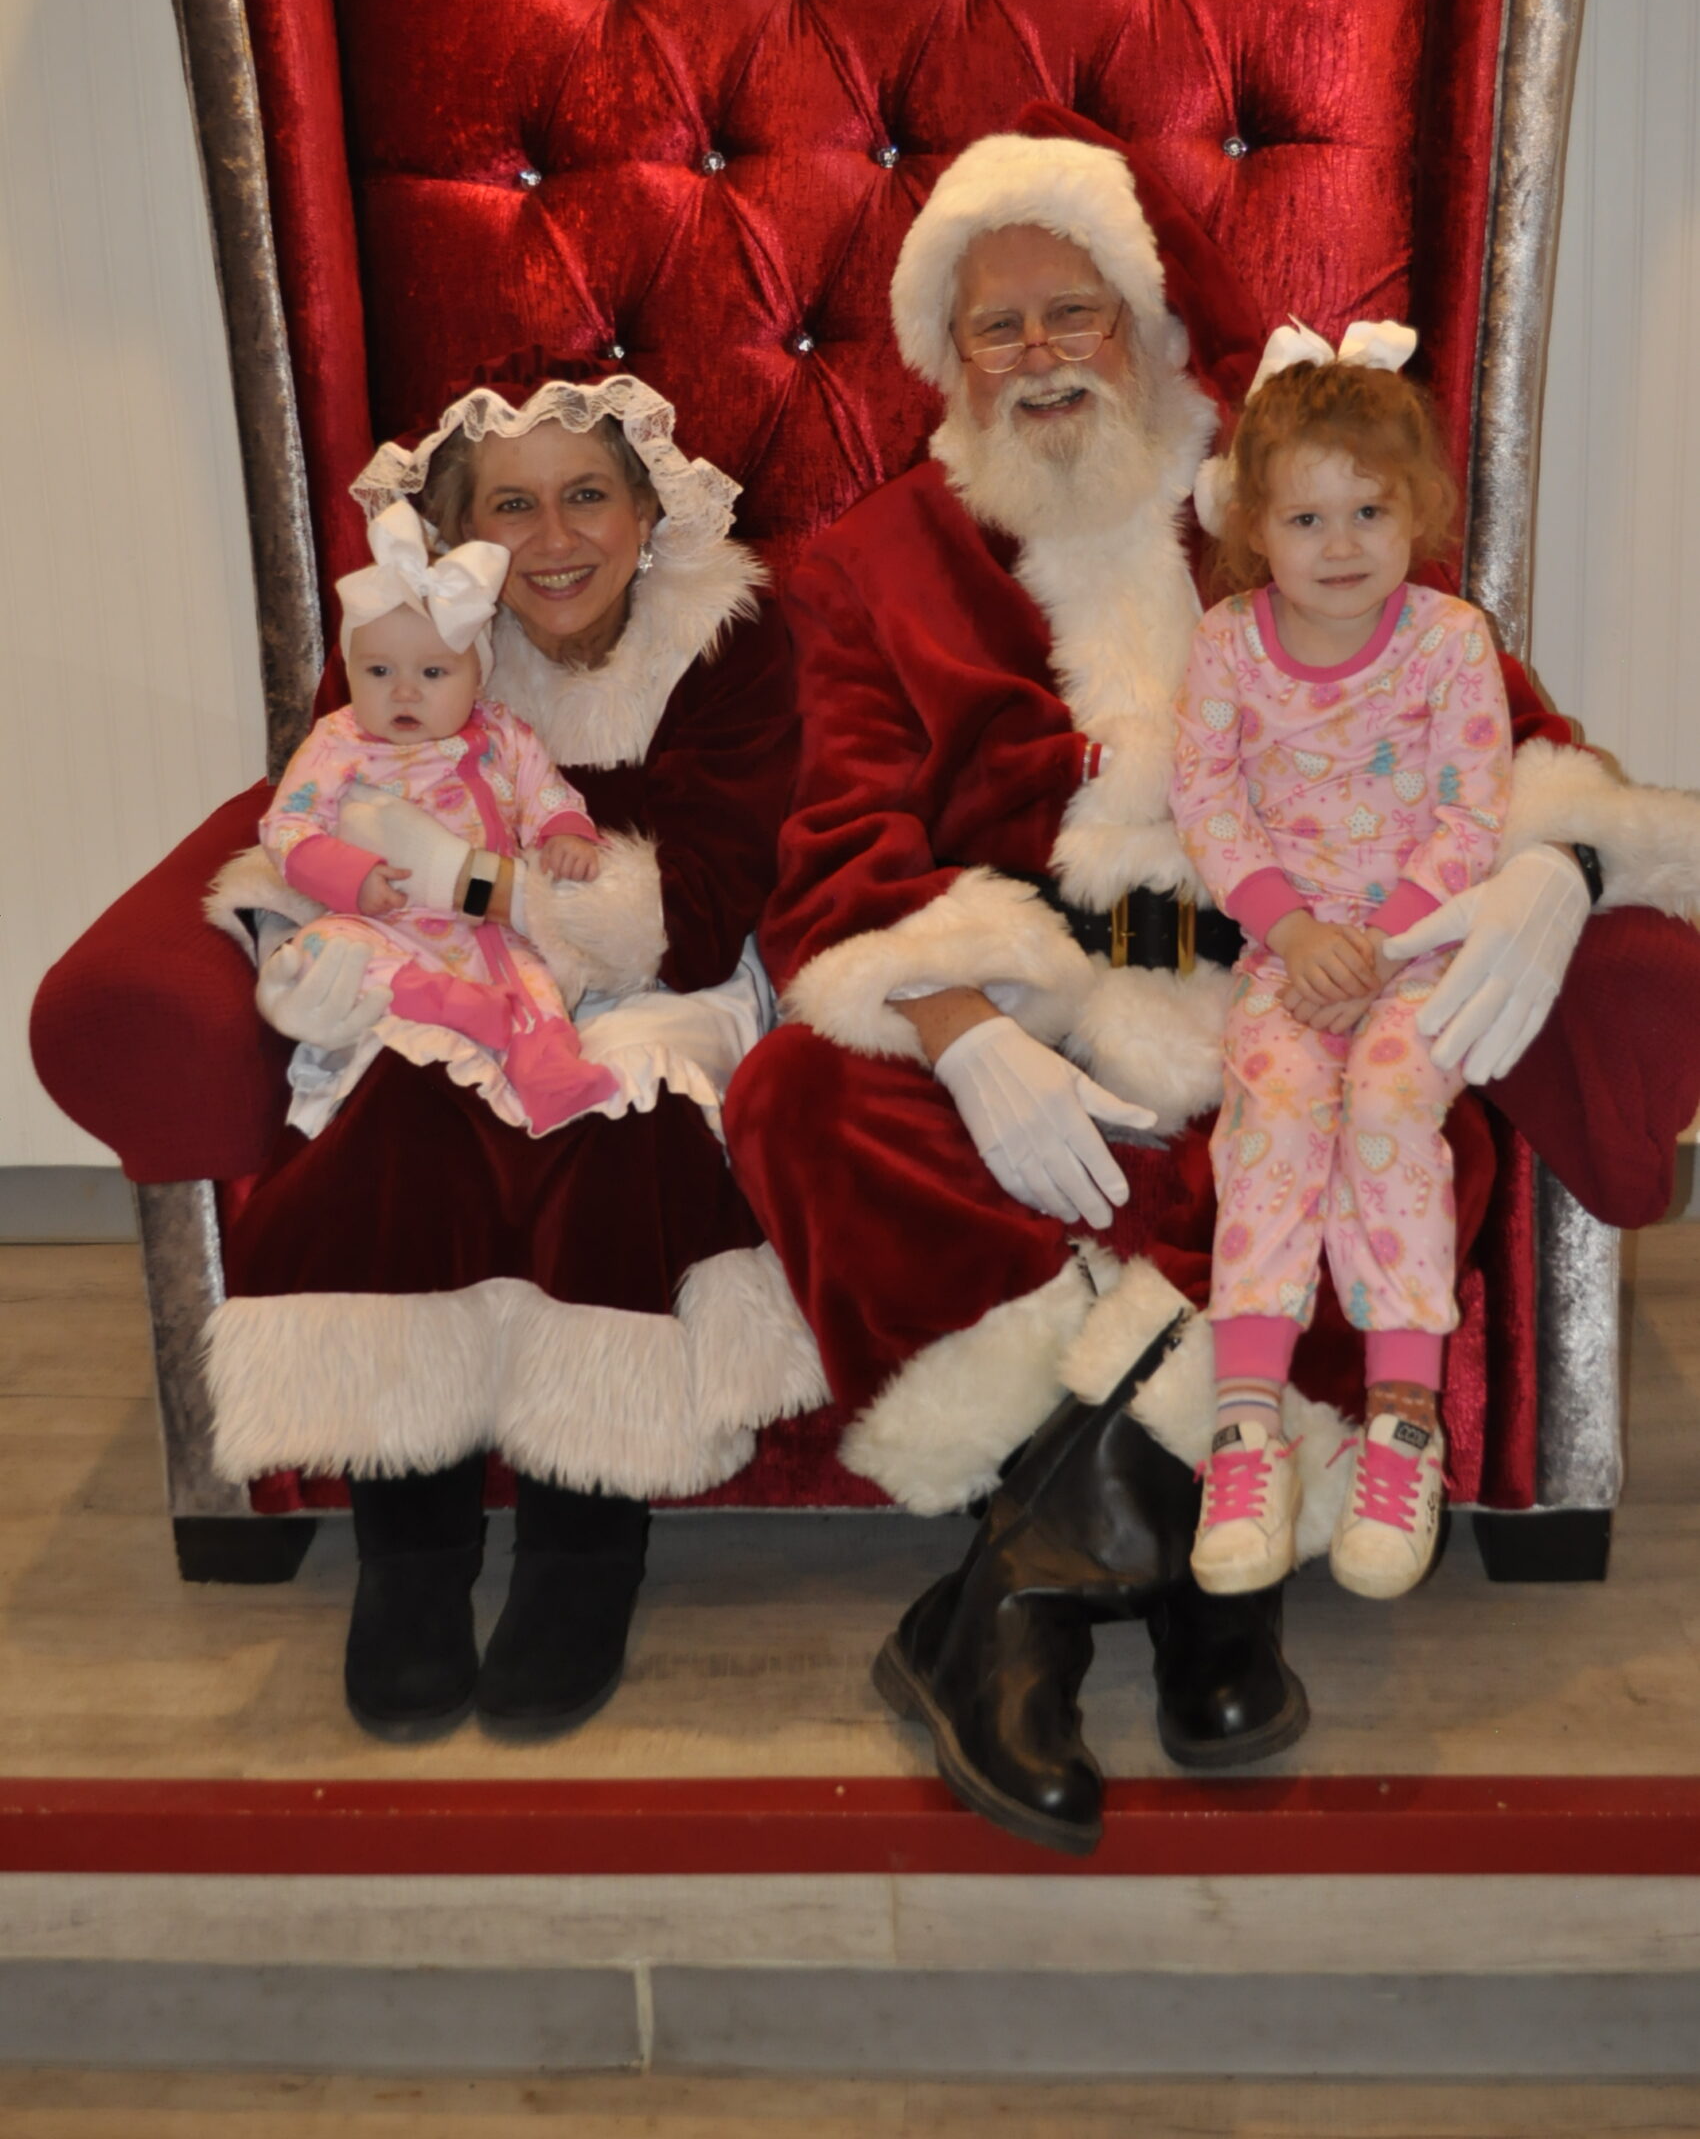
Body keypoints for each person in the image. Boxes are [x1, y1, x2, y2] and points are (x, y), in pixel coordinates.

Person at [724, 119, 1700, 1857]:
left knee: (1384, 1129)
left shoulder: (1276, 489)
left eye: (1075, 313)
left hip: (1301, 981)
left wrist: (1558, 863)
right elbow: (840, 855)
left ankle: (1026, 1604)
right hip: (1040, 1010)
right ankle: (1193, 1583)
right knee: (797, 1097)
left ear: (1151, 322)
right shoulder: (876, 565)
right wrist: (961, 1031)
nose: (1041, 357)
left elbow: (1498, 730)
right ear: (947, 358)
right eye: (997, 326)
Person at [202, 358, 819, 1743]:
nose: (553, 540)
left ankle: (580, 1554)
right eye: (512, 505)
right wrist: (324, 938)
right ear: (461, 529)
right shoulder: (410, 635)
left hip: (660, 982)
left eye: (586, 495)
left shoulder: (725, 636)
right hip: (444, 974)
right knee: (397, 1125)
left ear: (646, 512)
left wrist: (476, 884)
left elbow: (695, 915)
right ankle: (411, 1556)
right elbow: (317, 822)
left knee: (618, 1129)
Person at [1173, 326, 1512, 1605]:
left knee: (1385, 1100)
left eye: (1368, 511)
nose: (1340, 544)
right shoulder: (1226, 645)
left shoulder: (1447, 639)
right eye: (1306, 517)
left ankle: (1401, 1426)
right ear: (1253, 528)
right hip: (1287, 953)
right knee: (1272, 1108)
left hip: (1418, 951)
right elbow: (1208, 803)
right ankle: (1243, 1430)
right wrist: (1292, 932)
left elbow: (1471, 813)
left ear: (1414, 510)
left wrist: (1387, 939)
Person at [258, 497, 617, 1138]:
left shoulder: (501, 733)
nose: (404, 691)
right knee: (318, 952)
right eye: (378, 670)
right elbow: (287, 826)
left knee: (537, 992)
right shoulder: (338, 741)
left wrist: (566, 834)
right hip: (387, 922)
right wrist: (349, 874)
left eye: (432, 672)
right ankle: (445, 1004)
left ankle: (553, 1078)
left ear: (476, 677)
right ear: (350, 669)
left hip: (489, 924)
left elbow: (546, 794)